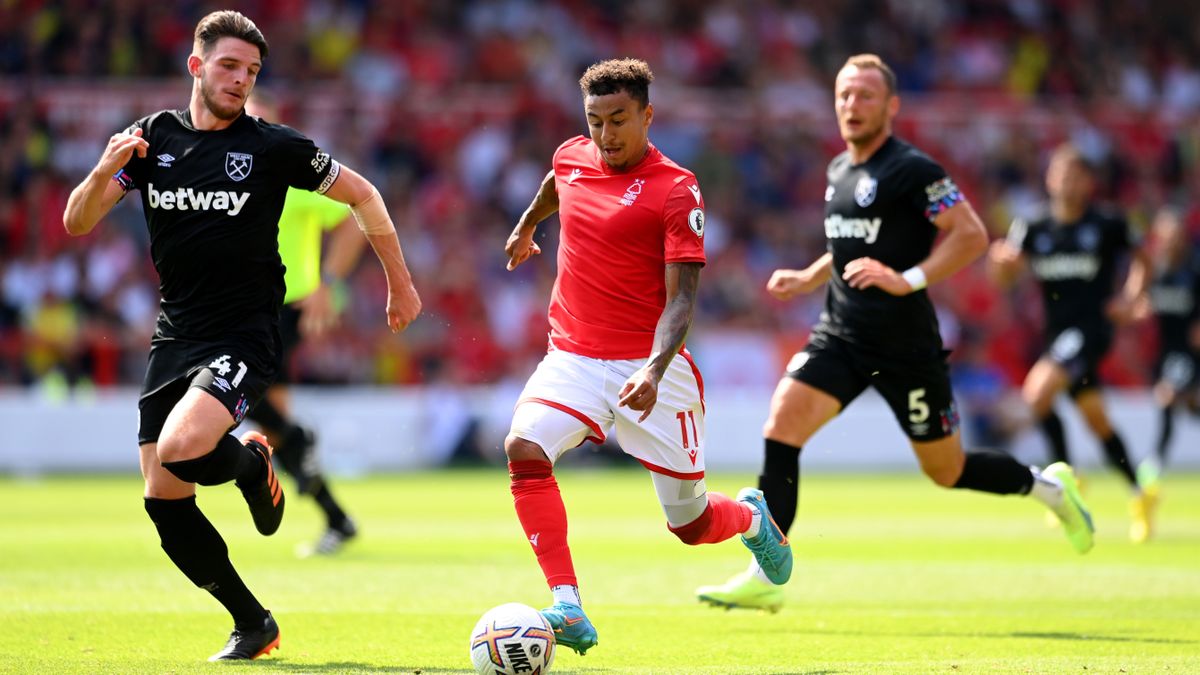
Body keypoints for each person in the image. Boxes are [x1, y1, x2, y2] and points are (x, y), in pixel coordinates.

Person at [61, 11, 420, 661]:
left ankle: (255, 462)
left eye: (252, 71)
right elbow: (77, 220)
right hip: (174, 336)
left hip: (246, 332)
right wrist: (102, 168)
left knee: (182, 448)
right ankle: (254, 622)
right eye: (229, 66)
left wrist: (399, 281)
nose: (241, 80)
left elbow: (364, 195)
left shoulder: (272, 146)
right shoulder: (149, 141)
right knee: (163, 501)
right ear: (196, 66)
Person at [695, 54, 1094, 614]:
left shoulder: (914, 170)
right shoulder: (838, 171)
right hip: (841, 335)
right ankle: (768, 566)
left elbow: (972, 235)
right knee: (782, 424)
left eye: (864, 95)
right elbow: (849, 247)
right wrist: (811, 276)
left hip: (905, 348)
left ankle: (1050, 490)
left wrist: (906, 279)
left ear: (891, 106)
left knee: (946, 470)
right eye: (843, 96)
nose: (851, 106)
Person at [501, 58, 791, 655]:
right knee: (524, 449)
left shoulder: (677, 188)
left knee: (689, 525)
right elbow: (558, 184)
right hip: (574, 356)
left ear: (647, 115)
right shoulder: (571, 155)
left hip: (650, 366)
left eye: (619, 120)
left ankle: (753, 519)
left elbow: (683, 298)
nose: (606, 136)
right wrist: (527, 224)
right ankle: (566, 603)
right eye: (596, 121)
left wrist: (654, 371)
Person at [988, 143, 1152, 542]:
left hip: (1092, 330)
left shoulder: (1108, 223)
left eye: (1077, 176)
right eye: (1062, 175)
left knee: (1037, 394)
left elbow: (1142, 257)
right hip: (1056, 335)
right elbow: (1005, 277)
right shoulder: (1033, 226)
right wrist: (1001, 267)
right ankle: (1139, 492)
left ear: (1089, 183)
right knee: (1096, 419)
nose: (1068, 183)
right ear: (1049, 179)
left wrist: (1132, 297)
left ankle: (1066, 483)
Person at [244, 92, 365, 557]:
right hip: (240, 307)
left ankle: (301, 442)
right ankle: (338, 518)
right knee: (271, 426)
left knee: (246, 396)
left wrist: (329, 284)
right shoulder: (224, 176)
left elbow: (356, 213)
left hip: (283, 307)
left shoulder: (292, 176)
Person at [1137, 206, 1200, 485]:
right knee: (1186, 403)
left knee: (1166, 396)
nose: (1172, 241)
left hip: (1190, 350)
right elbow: (1142, 302)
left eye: (1176, 235)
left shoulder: (1194, 270)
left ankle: (1156, 459)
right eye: (1166, 235)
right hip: (1165, 351)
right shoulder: (1155, 271)